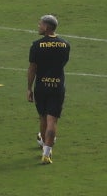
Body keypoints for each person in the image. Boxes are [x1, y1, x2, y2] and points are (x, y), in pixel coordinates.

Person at [29, 14, 70, 164]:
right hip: (57, 86)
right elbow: (63, 62)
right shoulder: (65, 44)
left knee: (43, 117)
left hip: (41, 86)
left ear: (46, 28)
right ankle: (47, 153)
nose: (38, 26)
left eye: (40, 24)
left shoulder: (36, 45)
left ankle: (44, 142)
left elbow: (32, 68)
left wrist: (29, 88)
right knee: (52, 120)